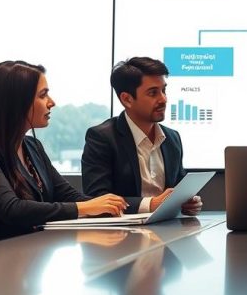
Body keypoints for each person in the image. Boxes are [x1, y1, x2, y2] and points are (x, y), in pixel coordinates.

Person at [0, 61, 127, 243]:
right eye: (43, 95)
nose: (52, 102)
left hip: (25, 254)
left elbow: (67, 195)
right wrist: (84, 208)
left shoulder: (31, 146)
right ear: (16, 102)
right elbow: (12, 209)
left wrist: (123, 206)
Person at [82, 57, 202, 215]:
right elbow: (97, 198)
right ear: (127, 99)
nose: (163, 99)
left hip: (168, 231)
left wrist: (189, 202)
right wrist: (150, 204)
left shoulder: (172, 138)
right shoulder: (102, 138)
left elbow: (179, 189)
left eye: (164, 90)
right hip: (119, 235)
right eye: (153, 93)